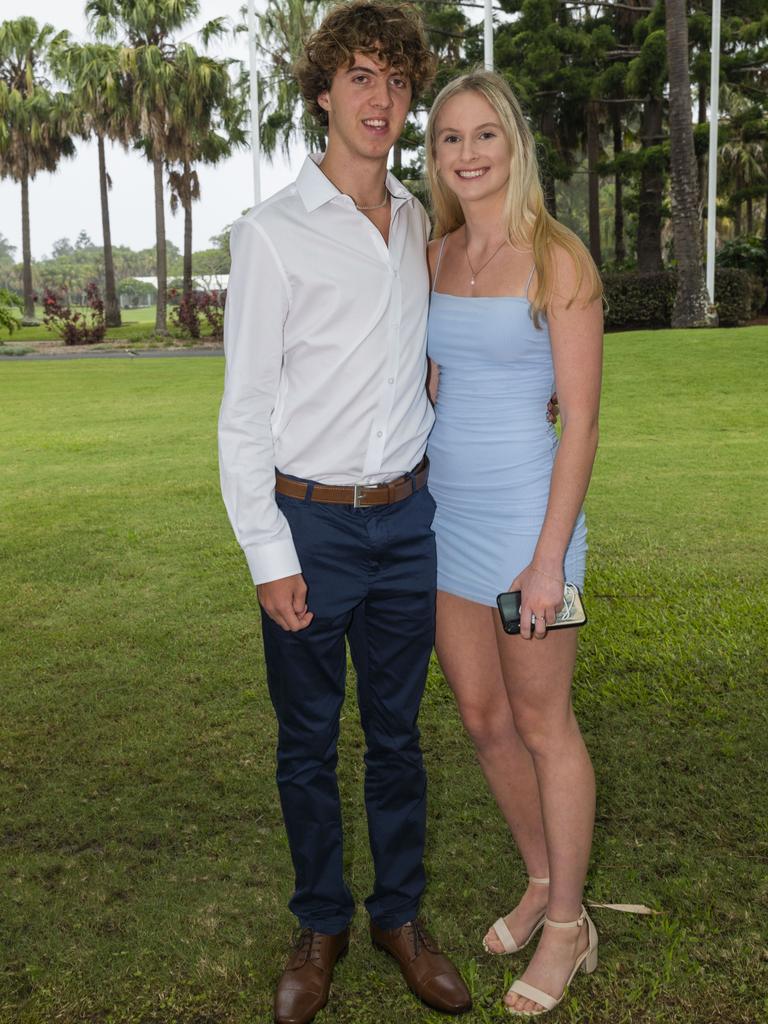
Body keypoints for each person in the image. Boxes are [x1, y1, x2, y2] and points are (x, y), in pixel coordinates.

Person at [218, 3, 472, 1022]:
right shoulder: (272, 234)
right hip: (311, 526)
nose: (382, 97)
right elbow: (243, 412)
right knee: (307, 743)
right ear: (323, 91)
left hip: (407, 523)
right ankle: (320, 922)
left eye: (398, 80)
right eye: (361, 76)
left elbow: (439, 352)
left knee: (401, 736)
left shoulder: (420, 220)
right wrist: (268, 553)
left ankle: (396, 914)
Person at [424, 71, 604, 1016]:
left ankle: (571, 927)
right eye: (451, 139)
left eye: (485, 135)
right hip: (445, 522)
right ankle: (540, 879)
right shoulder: (437, 255)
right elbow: (426, 384)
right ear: (437, 156)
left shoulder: (558, 258)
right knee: (483, 717)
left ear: (514, 144)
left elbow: (579, 424)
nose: (468, 154)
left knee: (543, 723)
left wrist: (547, 560)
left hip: (532, 528)